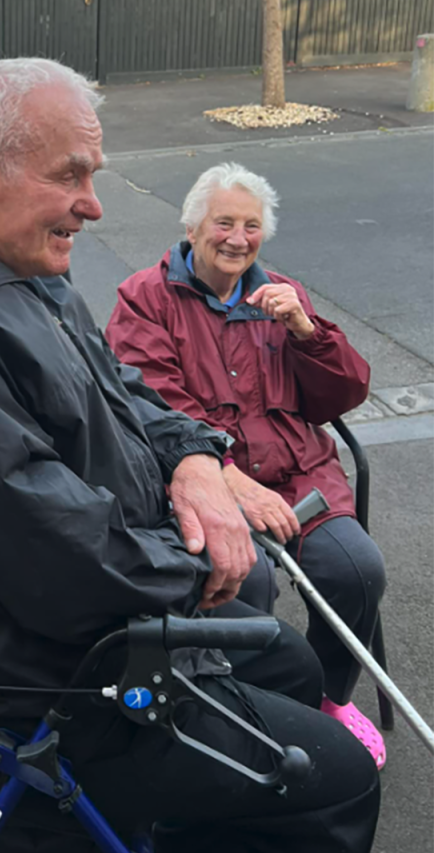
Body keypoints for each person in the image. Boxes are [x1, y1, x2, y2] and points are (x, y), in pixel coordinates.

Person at [0, 62, 379, 853]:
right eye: (70, 176)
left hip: (92, 627)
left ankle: (194, 844)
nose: (94, 203)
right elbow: (61, 561)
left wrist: (192, 459)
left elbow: (120, 384)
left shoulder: (2, 266)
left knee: (292, 662)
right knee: (340, 781)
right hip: (51, 689)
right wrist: (196, 564)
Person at [106, 162, 387, 770]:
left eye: (251, 225)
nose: (237, 238)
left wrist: (307, 332)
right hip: (206, 483)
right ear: (192, 226)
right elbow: (152, 406)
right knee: (246, 581)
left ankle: (326, 699)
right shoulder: (144, 299)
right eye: (224, 222)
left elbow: (342, 396)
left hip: (301, 479)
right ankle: (248, 711)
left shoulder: (282, 295)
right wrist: (229, 480)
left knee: (357, 571)